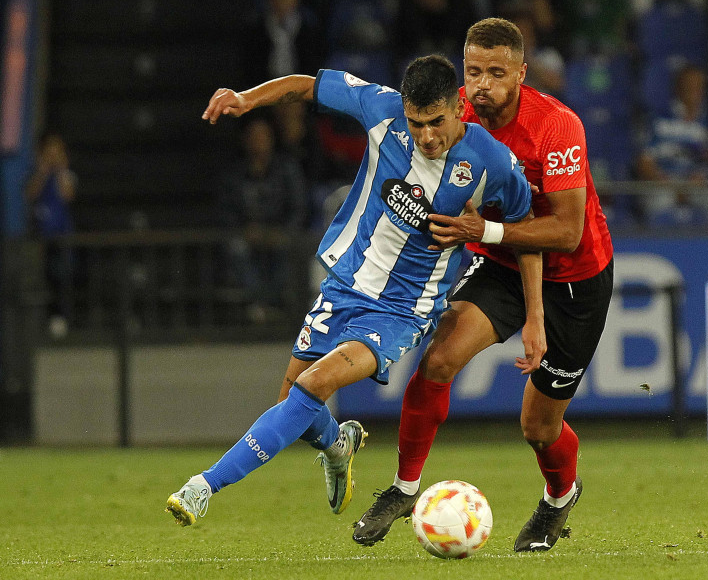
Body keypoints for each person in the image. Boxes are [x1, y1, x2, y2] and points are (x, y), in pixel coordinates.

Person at [165, 55, 542, 526]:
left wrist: (533, 315)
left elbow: (527, 230)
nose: (426, 136)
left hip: (403, 311)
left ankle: (203, 486)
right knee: (293, 405)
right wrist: (246, 98)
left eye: (436, 123)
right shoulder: (380, 108)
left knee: (313, 385)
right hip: (344, 286)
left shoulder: (492, 163)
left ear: (457, 108)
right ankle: (337, 445)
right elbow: (306, 85)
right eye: (416, 123)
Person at [353, 18, 614, 553]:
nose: (483, 85)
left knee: (538, 427)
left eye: (497, 73)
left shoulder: (557, 127)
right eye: (474, 72)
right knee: (439, 360)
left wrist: (485, 231)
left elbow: (565, 231)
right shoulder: (455, 117)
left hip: (575, 280)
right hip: (500, 264)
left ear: (522, 73)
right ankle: (404, 488)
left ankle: (560, 498)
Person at [220, 115, 308, 323]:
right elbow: (226, 210)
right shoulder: (235, 173)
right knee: (236, 248)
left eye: (263, 136)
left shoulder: (286, 169)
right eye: (254, 136)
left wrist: (281, 232)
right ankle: (259, 303)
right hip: (247, 233)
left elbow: (299, 207)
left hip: (280, 233)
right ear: (245, 140)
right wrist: (244, 229)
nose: (258, 141)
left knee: (287, 249)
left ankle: (273, 304)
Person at [634, 65, 708, 226]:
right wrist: (667, 183)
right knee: (659, 202)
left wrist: (698, 179)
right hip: (663, 181)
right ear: (678, 88)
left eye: (699, 86)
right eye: (690, 85)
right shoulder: (658, 118)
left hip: (696, 182)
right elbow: (644, 161)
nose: (695, 90)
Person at [26, 132, 78, 337]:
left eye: (57, 153)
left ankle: (61, 318)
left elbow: (68, 195)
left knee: (62, 277)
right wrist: (43, 171)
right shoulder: (37, 175)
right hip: (41, 236)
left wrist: (60, 170)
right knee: (40, 278)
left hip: (62, 235)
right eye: (49, 152)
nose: (53, 156)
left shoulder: (67, 175)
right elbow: (30, 194)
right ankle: (39, 321)